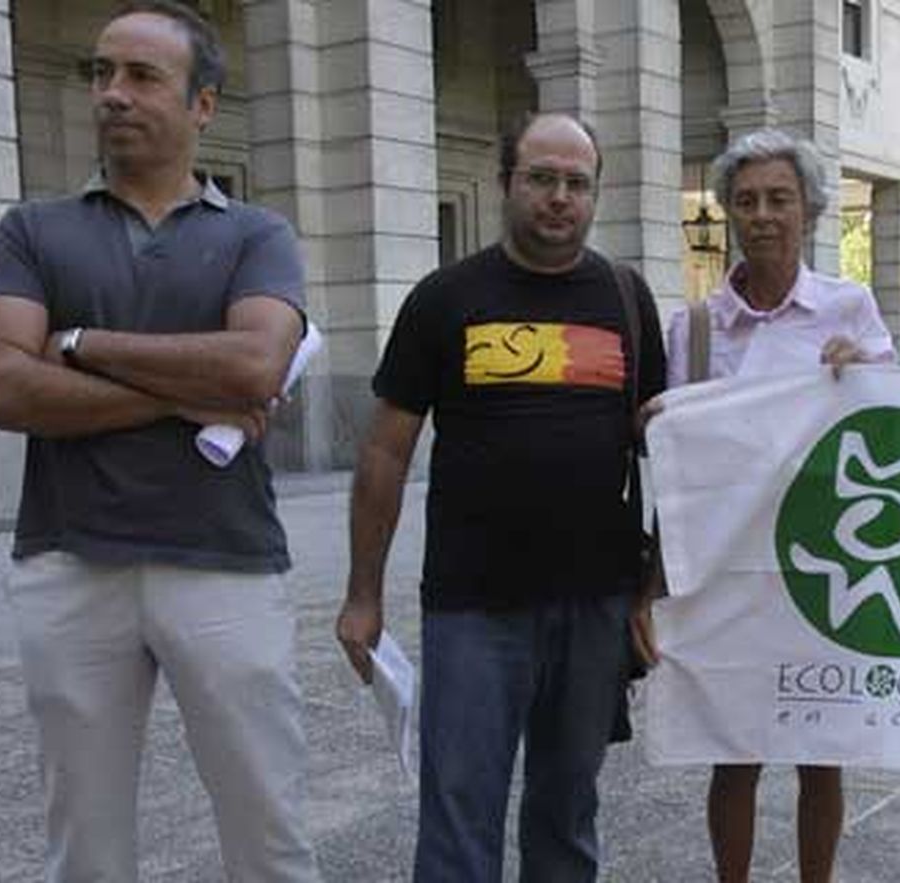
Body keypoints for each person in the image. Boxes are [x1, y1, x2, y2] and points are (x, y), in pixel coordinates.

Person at [0, 3, 320, 880]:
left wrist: (80, 343)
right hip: (70, 561)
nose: (112, 93)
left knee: (269, 829)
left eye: (141, 76)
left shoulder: (257, 234)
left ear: (203, 104)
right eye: (101, 72)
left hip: (225, 561)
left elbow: (255, 367)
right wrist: (182, 398)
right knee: (85, 847)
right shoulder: (31, 229)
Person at [336, 112, 666, 883]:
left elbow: (664, 441)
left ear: (595, 194)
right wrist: (362, 594)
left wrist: (652, 587)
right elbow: (385, 451)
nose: (560, 197)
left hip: (594, 604)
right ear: (506, 183)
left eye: (577, 183)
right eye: (541, 178)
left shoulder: (625, 298)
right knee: (459, 813)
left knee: (567, 811)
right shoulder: (445, 298)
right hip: (472, 606)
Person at [638, 129, 895, 883]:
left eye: (779, 198)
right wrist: (653, 432)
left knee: (822, 752)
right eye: (746, 200)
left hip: (825, 562)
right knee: (734, 751)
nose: (762, 215)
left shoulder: (849, 308)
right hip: (728, 568)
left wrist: (867, 374)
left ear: (809, 209)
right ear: (728, 212)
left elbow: (893, 424)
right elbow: (680, 468)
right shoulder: (695, 327)